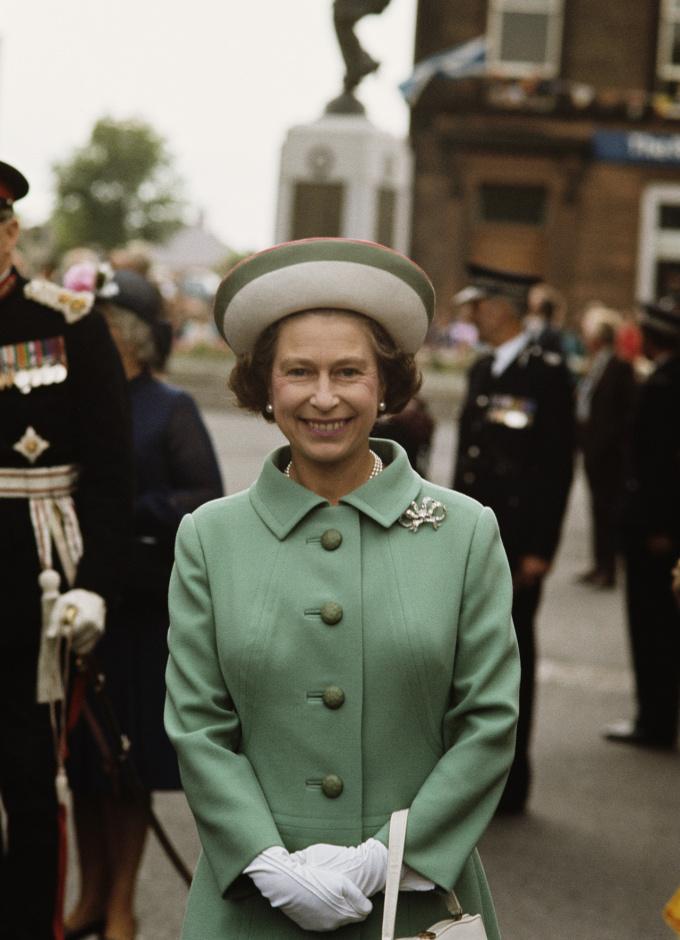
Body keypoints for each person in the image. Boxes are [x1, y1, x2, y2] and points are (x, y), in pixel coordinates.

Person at [164, 238, 520, 939]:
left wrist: (386, 860)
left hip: (415, 902)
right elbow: (199, 727)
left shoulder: (465, 531)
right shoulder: (210, 537)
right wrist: (266, 862)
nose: (324, 397)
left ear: (385, 384)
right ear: (265, 387)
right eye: (298, 372)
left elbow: (489, 722)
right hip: (250, 905)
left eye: (349, 372)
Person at [65, 269, 223, 940]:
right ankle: (90, 897)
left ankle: (123, 903)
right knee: (81, 767)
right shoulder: (70, 400)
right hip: (75, 605)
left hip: (140, 610)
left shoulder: (168, 406)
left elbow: (204, 496)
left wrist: (127, 509)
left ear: (123, 333)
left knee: (124, 769)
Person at [0, 160, 133, 940]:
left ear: (11, 232)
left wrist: (97, 586)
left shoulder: (68, 321)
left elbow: (112, 473)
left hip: (33, 589)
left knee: (29, 783)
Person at [452, 262, 575, 815]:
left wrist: (540, 549)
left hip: (517, 543)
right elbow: (468, 461)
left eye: (475, 306)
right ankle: (469, 776)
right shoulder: (484, 369)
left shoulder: (546, 373)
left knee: (513, 659)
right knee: (467, 658)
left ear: (500, 308)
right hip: (472, 540)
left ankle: (510, 782)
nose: (469, 316)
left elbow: (555, 469)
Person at [604, 294, 680, 750]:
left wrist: (659, 528)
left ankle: (653, 721)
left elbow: (659, 467)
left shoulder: (664, 386)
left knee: (650, 627)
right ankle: (658, 716)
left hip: (655, 528)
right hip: (662, 525)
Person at [575, 304, 636, 588]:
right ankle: (599, 564)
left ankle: (608, 569)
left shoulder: (620, 367)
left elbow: (623, 416)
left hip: (609, 457)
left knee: (608, 512)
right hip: (593, 452)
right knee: (597, 510)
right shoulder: (596, 363)